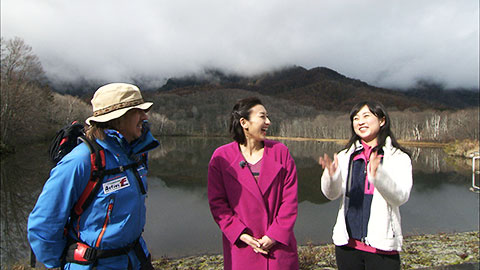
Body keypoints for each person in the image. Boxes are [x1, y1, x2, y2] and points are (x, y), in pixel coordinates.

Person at [28, 83, 159, 269]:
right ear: (118, 118)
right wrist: (61, 263)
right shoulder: (80, 162)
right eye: (138, 111)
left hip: (136, 259)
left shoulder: (136, 154)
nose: (145, 117)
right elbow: (44, 224)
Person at [319, 101, 413, 270]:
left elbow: (401, 197)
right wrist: (331, 177)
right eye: (355, 118)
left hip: (382, 247)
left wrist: (379, 177)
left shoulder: (398, 157)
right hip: (347, 246)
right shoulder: (345, 156)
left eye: (366, 116)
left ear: (382, 120)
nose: (360, 122)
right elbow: (331, 194)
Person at [207, 97, 299, 270]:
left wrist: (274, 235)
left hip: (278, 249)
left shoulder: (281, 152)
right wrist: (240, 233)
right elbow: (218, 204)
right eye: (262, 117)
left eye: (267, 117)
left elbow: (290, 201)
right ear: (244, 122)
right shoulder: (221, 158)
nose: (268, 122)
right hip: (242, 249)